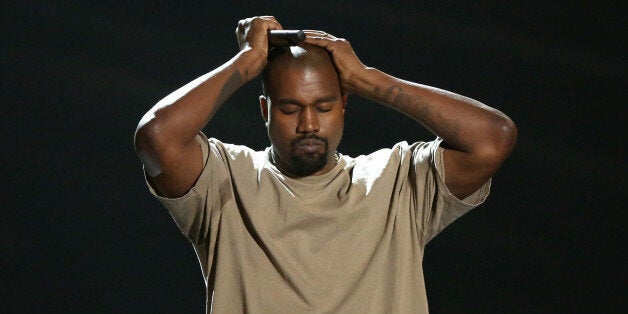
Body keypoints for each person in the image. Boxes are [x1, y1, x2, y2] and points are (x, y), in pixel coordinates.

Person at [134, 16, 517, 314]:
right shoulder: (225, 180)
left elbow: (491, 139)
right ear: (265, 110)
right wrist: (247, 61)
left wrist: (368, 80)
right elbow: (157, 137)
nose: (309, 125)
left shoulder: (395, 181)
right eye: (290, 109)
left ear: (344, 105)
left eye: (324, 106)